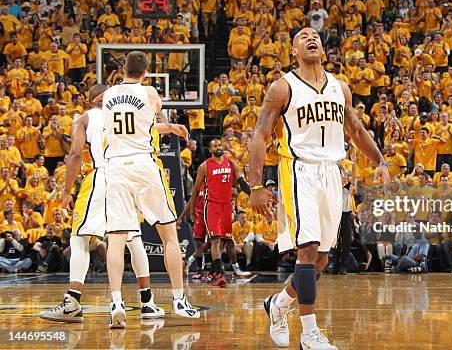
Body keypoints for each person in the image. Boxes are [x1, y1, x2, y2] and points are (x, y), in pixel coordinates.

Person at [250, 28, 390, 349]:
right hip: (298, 169)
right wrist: (256, 184)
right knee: (307, 250)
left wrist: (380, 161)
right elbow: (260, 135)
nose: (311, 38)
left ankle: (279, 304)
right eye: (303, 36)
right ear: (293, 52)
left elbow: (355, 128)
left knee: (322, 260)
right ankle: (310, 334)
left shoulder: (340, 87)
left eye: (315, 36)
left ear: (323, 49)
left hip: (331, 172)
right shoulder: (282, 88)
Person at [39, 84, 182, 322]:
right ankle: (147, 302)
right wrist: (169, 127)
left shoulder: (85, 117)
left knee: (79, 237)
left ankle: (72, 302)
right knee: (133, 238)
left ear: (91, 98)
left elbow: (75, 154)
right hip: (126, 175)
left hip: (100, 176)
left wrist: (66, 190)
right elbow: (149, 127)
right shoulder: (126, 112)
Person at [102, 51, 199, 328]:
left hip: (116, 167)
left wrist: (166, 126)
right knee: (169, 234)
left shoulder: (108, 96)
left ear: (123, 69)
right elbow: (147, 117)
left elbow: (128, 115)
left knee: (117, 240)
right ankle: (179, 300)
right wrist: (169, 123)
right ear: (145, 73)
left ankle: (117, 302)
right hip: (144, 164)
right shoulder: (151, 93)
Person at [185, 139, 252, 287]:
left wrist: (252, 194)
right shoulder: (204, 166)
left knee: (224, 241)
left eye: (219, 145)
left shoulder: (231, 163)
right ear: (210, 150)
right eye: (215, 145)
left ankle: (212, 272)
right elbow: (195, 190)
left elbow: (241, 181)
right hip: (212, 206)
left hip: (227, 206)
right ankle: (220, 275)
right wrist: (191, 212)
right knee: (215, 240)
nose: (218, 147)